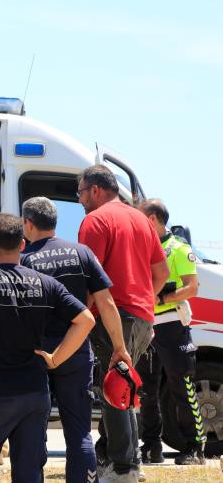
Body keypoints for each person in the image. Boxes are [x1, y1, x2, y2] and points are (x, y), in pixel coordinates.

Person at [0, 213, 95, 483]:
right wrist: (55, 359)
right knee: (29, 473)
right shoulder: (47, 283)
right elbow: (86, 319)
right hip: (34, 392)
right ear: (21, 245)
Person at [21, 197, 132, 482]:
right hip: (77, 350)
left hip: (36, 354)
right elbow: (106, 304)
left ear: (28, 224)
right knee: (80, 432)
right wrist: (120, 348)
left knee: (33, 430)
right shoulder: (82, 253)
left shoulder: (24, 260)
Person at [77, 165, 169, 482]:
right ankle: (132, 463)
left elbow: (90, 279)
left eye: (80, 193)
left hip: (114, 315)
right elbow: (162, 274)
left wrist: (78, 319)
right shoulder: (142, 220)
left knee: (113, 391)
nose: (80, 200)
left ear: (96, 190)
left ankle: (122, 468)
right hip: (143, 317)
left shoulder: (95, 221)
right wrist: (144, 300)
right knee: (124, 390)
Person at [136, 199, 206, 465]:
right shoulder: (140, 247)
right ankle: (151, 445)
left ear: (152, 219)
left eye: (141, 218)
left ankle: (194, 448)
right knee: (145, 389)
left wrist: (161, 299)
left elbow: (192, 288)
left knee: (181, 385)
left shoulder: (178, 248)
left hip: (172, 324)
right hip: (146, 325)